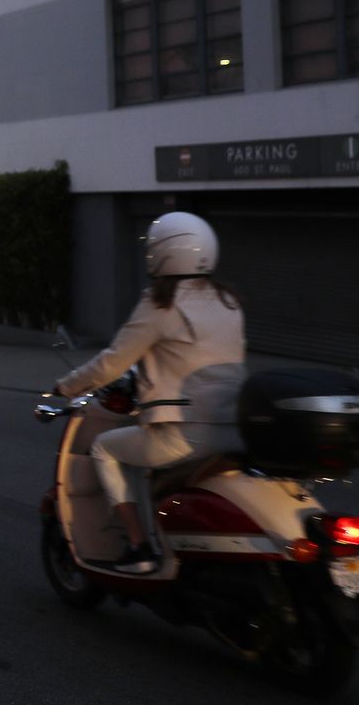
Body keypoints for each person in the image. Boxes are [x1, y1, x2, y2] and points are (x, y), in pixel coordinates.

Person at [53, 212, 245, 574]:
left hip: (184, 433)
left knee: (106, 448)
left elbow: (112, 362)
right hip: (234, 428)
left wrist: (66, 385)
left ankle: (140, 546)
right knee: (141, 456)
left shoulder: (160, 303)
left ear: (161, 254)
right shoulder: (228, 301)